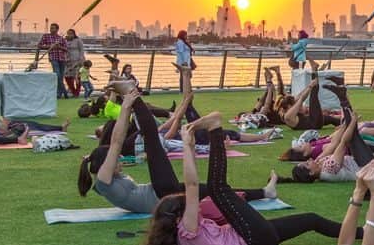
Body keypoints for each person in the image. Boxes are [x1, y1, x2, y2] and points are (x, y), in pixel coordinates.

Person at [142, 111, 362, 245]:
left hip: (258, 238)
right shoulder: (187, 231)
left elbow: (191, 190)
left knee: (311, 219)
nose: (196, 204)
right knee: (218, 189)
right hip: (251, 239)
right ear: (178, 218)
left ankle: (365, 232)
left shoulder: (184, 237)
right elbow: (191, 185)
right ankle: (216, 129)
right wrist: (188, 146)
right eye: (189, 205)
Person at [78, 87, 277, 213]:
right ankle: (133, 95)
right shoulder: (104, 179)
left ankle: (265, 192)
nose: (120, 160)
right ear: (105, 164)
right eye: (116, 161)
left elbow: (116, 144)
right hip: (161, 194)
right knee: (151, 138)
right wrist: (127, 106)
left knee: (214, 189)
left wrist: (126, 108)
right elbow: (116, 141)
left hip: (162, 192)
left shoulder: (106, 178)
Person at [36, 23, 68, 99]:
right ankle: (64, 93)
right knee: (57, 75)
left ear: (57, 29)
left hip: (62, 59)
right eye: (51, 28)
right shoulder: (46, 36)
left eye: (53, 28)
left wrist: (59, 47)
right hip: (53, 58)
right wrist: (50, 46)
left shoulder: (61, 38)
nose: (51, 29)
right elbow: (39, 45)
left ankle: (60, 94)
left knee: (61, 77)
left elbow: (66, 49)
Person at [63, 29, 85, 97]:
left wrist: (81, 59)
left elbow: (81, 50)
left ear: (74, 34)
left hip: (77, 60)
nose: (69, 35)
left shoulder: (78, 40)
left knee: (78, 77)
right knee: (67, 76)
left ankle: (77, 92)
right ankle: (73, 91)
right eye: (68, 33)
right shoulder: (65, 41)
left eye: (71, 33)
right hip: (68, 61)